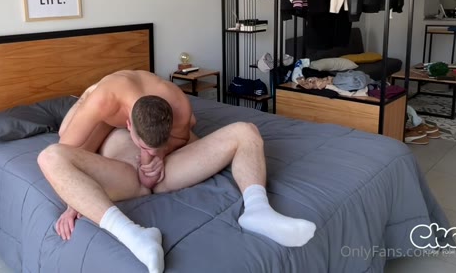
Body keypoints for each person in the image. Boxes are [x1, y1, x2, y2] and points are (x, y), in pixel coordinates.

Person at [38, 70, 316, 273]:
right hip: (122, 165)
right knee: (50, 154)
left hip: (158, 170)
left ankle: (258, 209)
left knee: (247, 131)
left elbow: (180, 140)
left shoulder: (178, 104)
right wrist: (73, 202)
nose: (147, 151)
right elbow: (68, 150)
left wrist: (158, 157)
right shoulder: (102, 100)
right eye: (143, 145)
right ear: (128, 124)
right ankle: (133, 234)